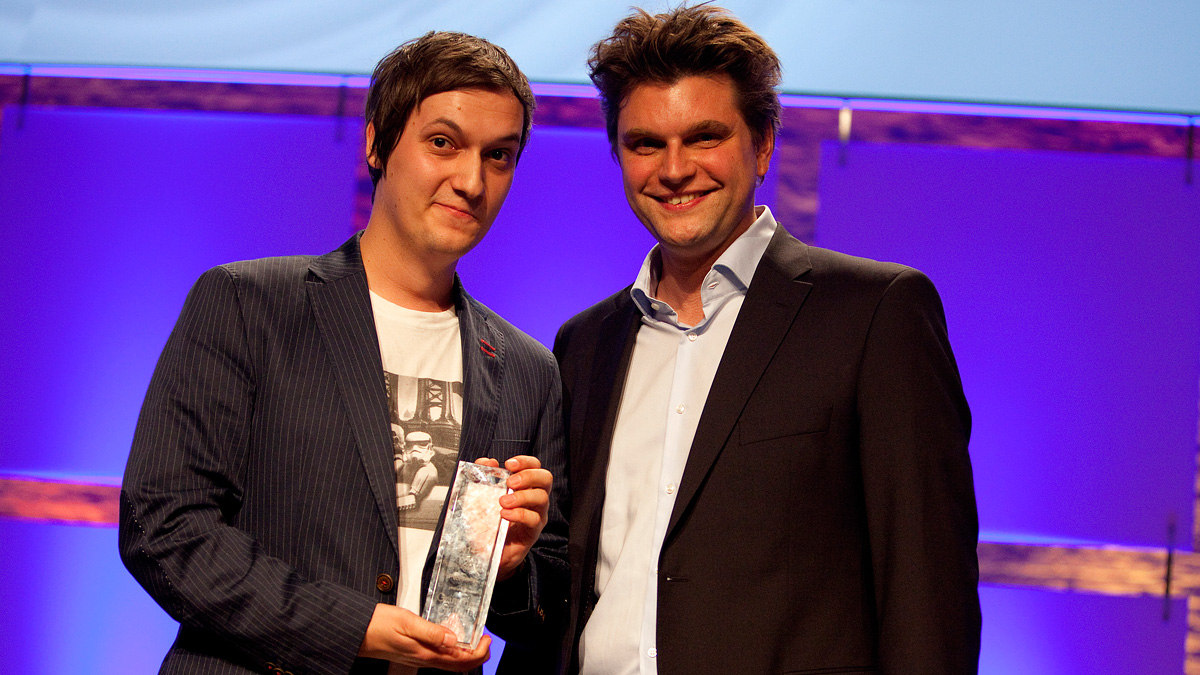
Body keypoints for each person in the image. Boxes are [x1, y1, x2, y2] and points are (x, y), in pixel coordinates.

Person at [120, 31, 567, 675]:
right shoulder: (249, 305)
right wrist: (352, 626)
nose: (471, 180)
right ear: (377, 142)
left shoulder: (528, 370)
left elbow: (543, 611)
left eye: (499, 156)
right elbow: (164, 527)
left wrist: (513, 568)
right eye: (443, 142)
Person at [552, 6, 980, 674]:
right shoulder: (584, 344)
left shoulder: (876, 314)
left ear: (764, 143)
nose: (674, 169)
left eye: (704, 137)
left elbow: (927, 590)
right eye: (645, 144)